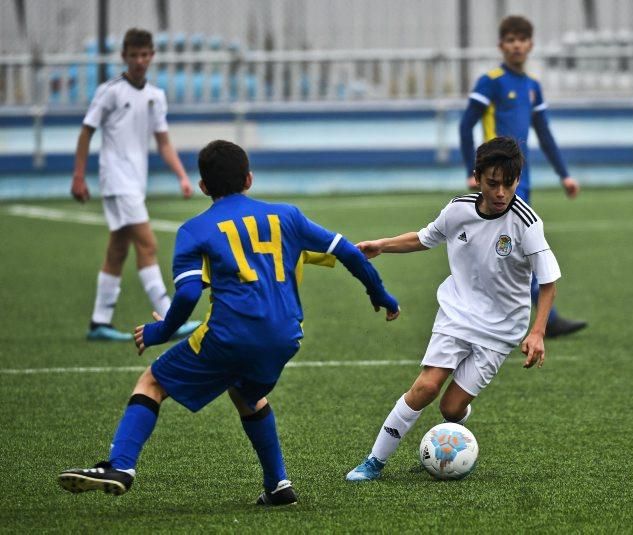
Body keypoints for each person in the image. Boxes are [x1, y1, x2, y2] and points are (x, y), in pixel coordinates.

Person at [58, 140, 400, 505]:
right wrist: (380, 295)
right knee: (247, 394)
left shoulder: (194, 230)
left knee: (153, 381)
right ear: (249, 179)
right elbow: (347, 250)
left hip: (230, 335)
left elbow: (189, 295)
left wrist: (160, 330)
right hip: (285, 336)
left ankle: (121, 465)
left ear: (203, 187)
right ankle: (278, 486)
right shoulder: (287, 216)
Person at [346, 136, 559, 481]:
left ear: (518, 180)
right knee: (427, 387)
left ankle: (455, 431)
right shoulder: (459, 209)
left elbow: (547, 281)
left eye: (509, 183)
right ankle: (374, 461)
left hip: (502, 329)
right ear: (477, 178)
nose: (501, 192)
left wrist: (537, 332)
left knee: (450, 408)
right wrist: (381, 246)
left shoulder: (527, 223)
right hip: (457, 313)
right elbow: (425, 237)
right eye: (493, 183)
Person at [459, 15, 587, 338]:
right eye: (510, 39)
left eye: (522, 39)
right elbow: (465, 125)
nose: (516, 44)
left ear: (530, 44)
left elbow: (544, 134)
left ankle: (527, 315)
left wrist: (564, 175)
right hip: (496, 183)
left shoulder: (532, 87)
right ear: (501, 45)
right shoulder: (491, 81)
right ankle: (540, 317)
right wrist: (472, 172)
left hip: (521, 181)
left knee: (516, 246)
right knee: (514, 246)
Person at [71, 27, 199, 341]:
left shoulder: (156, 96)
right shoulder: (110, 91)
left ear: (152, 56)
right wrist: (78, 175)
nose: (140, 61)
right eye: (134, 55)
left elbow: (164, 143)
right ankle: (171, 318)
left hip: (134, 182)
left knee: (118, 250)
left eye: (145, 55)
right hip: (116, 179)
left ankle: (99, 323)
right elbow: (87, 131)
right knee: (148, 244)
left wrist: (182, 176)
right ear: (124, 57)